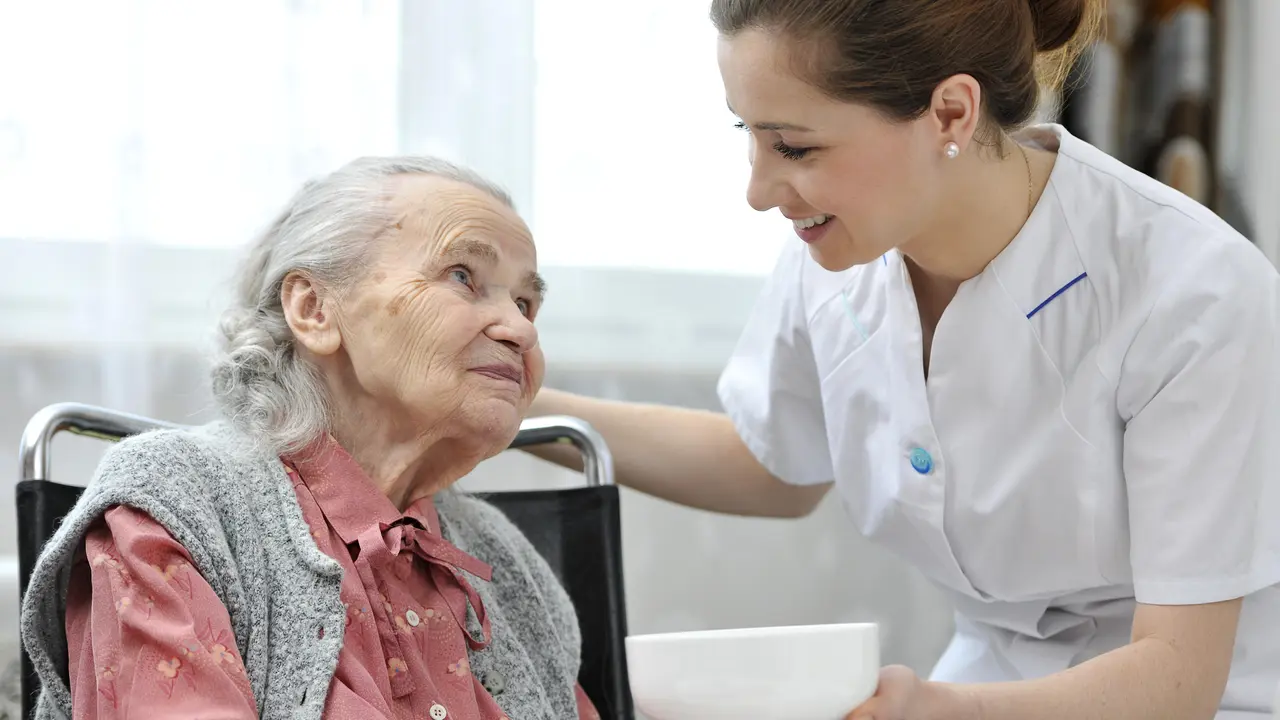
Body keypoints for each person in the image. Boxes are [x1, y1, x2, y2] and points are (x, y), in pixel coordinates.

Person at [527, 0, 1280, 718]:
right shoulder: (840, 252)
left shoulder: (1196, 294)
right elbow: (771, 462)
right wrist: (514, 408)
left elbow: (1177, 678)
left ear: (951, 112)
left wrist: (943, 711)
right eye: (747, 135)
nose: (757, 191)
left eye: (795, 146)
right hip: (976, 688)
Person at [21, 157, 600, 720]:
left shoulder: (505, 560)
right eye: (462, 277)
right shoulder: (176, 508)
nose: (521, 329)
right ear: (314, 309)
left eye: (526, 302)